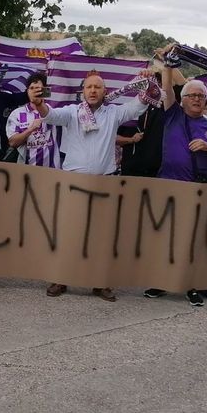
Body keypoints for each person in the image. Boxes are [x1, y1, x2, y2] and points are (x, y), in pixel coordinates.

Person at [37, 70, 151, 300]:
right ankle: (60, 278)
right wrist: (39, 103)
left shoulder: (114, 113)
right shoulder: (71, 113)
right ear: (82, 92)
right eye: (89, 87)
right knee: (70, 233)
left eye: (97, 87)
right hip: (74, 182)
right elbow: (50, 115)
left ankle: (101, 282)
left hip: (104, 183)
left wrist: (147, 80)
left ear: (104, 91)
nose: (92, 91)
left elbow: (139, 104)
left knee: (103, 236)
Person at [144, 54, 207, 307]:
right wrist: (169, 66)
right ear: (182, 100)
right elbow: (167, 89)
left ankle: (191, 285)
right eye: (191, 95)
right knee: (165, 237)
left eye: (200, 96)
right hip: (169, 185)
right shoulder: (173, 114)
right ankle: (162, 282)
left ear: (206, 101)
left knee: (191, 240)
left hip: (198, 188)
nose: (196, 99)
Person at [6, 72, 60, 168]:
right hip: (26, 171)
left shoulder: (53, 111)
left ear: (45, 90)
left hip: (52, 171)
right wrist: (30, 130)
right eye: (31, 88)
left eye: (38, 88)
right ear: (27, 91)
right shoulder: (17, 113)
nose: (34, 91)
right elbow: (12, 142)